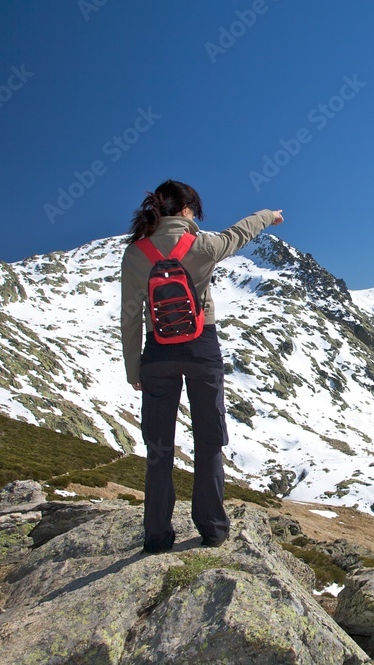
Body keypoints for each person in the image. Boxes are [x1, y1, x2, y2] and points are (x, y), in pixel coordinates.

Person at [120, 179, 283, 553]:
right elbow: (240, 233)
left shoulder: (135, 253)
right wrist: (269, 216)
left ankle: (157, 536)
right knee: (209, 439)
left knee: (159, 447)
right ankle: (212, 528)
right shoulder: (202, 245)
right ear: (187, 209)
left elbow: (129, 317)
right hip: (201, 347)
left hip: (156, 351)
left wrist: (135, 369)